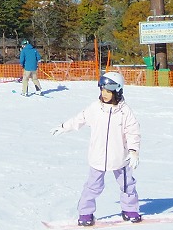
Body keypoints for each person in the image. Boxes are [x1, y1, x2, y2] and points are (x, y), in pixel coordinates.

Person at [52, 71, 143, 226]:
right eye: (102, 90)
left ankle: (129, 210)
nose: (104, 94)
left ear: (117, 91)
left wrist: (133, 150)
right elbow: (79, 119)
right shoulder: (95, 108)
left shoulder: (125, 111)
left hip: (120, 157)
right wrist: (64, 126)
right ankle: (85, 213)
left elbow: (133, 132)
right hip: (98, 157)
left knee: (127, 185)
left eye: (108, 91)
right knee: (93, 187)